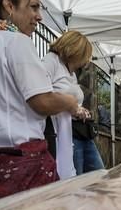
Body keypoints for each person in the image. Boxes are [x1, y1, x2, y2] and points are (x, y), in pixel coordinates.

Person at [0, 0, 79, 204]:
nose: (39, 16)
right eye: (33, 7)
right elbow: (42, 101)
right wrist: (70, 102)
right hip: (23, 163)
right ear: (9, 6)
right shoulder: (17, 42)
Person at [41, 30, 96, 179]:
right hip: (64, 133)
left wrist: (79, 109)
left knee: (97, 174)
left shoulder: (71, 73)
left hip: (79, 131)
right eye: (85, 54)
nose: (87, 60)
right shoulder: (51, 61)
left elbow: (71, 100)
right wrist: (72, 107)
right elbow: (41, 94)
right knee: (75, 181)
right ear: (75, 50)